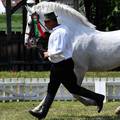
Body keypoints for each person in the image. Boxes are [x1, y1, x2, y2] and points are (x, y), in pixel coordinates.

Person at [29, 12, 105, 119]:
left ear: (52, 21)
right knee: (52, 89)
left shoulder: (61, 32)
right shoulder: (57, 31)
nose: (45, 24)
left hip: (63, 65)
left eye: (47, 22)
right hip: (57, 64)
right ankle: (42, 114)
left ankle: (99, 97)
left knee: (74, 89)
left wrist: (48, 53)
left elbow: (60, 50)